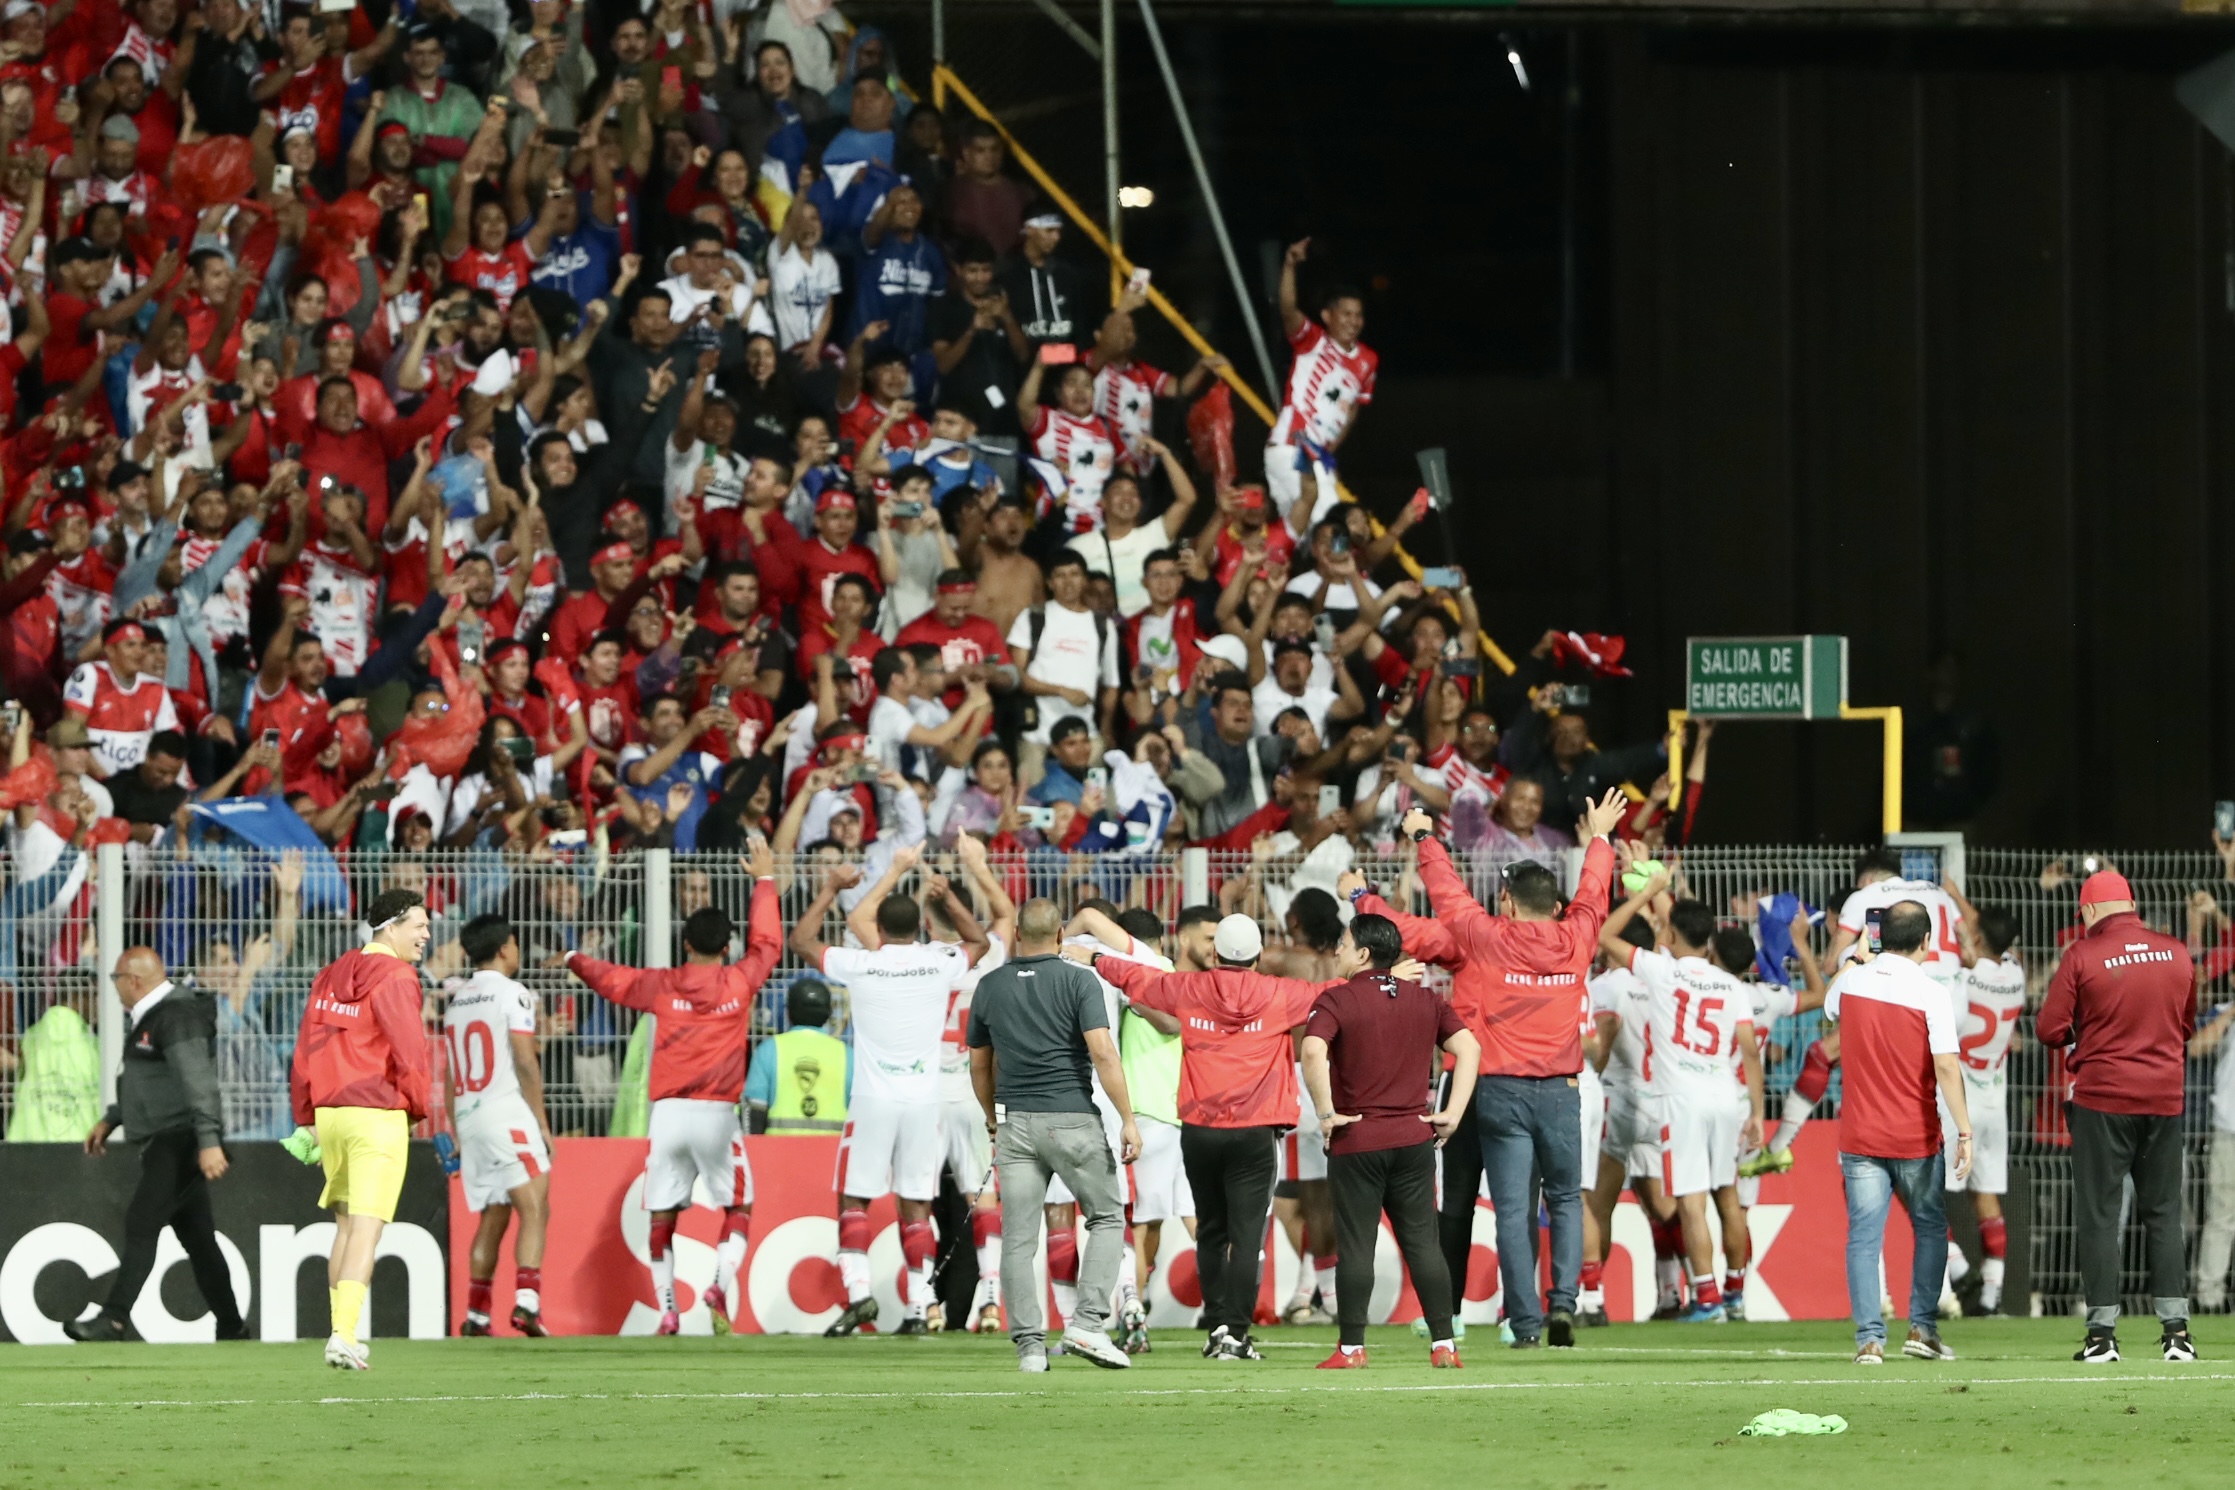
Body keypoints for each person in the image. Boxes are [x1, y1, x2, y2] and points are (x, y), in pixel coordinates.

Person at [1399, 790, 1625, 1349]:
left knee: (1511, 1211)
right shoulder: (1578, 937)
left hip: (1500, 1091)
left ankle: (1525, 1325)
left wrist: (1424, 836)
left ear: (1504, 899)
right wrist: (1599, 839)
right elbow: (1595, 894)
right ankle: (1565, 1305)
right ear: (1555, 905)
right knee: (1567, 1200)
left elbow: (1447, 892)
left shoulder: (1487, 937)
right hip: (1562, 1091)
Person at [1078, 914, 1358, 1361]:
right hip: (1255, 1130)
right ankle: (1235, 1335)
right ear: (1257, 953)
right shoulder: (1279, 993)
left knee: (1210, 1231)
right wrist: (1376, 974)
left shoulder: (1190, 988)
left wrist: (1092, 956)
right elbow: (1332, 994)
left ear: (1217, 952)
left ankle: (1217, 1329)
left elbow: (1138, 978)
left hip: (1201, 1130)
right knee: (1246, 1236)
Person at [563, 839, 782, 1335]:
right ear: (727, 948)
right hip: (716, 1114)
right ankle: (718, 1285)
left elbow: (611, 979)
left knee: (663, 1213)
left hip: (667, 1115)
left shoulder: (662, 986)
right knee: (740, 1206)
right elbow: (768, 945)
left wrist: (576, 958)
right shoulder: (739, 982)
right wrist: (764, 882)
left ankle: (667, 1311)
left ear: (686, 944)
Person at [790, 842, 982, 1336]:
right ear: (917, 928)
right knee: (916, 1203)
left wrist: (831, 888)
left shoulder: (863, 963)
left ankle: (858, 1295)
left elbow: (802, 940)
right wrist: (949, 896)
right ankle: (920, 1307)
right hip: (924, 1100)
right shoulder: (938, 963)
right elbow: (978, 941)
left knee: (854, 1198)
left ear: (878, 931)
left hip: (873, 1100)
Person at [968, 897, 1142, 1371]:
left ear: (1018, 934)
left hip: (1015, 1124)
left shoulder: (989, 986)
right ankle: (1086, 1323)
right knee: (1107, 1217)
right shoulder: (1079, 980)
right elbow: (1103, 1052)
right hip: (1071, 1118)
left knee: (1019, 1239)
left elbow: (979, 1064)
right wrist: (1127, 1118)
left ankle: (1028, 1347)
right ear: (1061, 935)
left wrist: (991, 1116)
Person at [1301, 913, 1479, 1370]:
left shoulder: (1337, 1000)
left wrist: (1325, 1114)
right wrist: (1453, 1114)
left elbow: (1313, 1050)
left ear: (1362, 953)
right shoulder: (1426, 999)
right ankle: (1444, 1344)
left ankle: (1352, 1348)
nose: (1337, 950)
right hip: (1414, 1136)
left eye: (1343, 943)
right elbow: (1470, 1048)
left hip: (1358, 1136)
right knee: (1423, 1243)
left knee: (1357, 1244)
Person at [2038, 869, 2198, 1364]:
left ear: (2088, 911)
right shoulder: (2176, 952)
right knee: (2165, 1215)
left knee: (2100, 1217)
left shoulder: (2083, 954)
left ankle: (2102, 1336)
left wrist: (2089, 1037)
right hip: (2165, 1100)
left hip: (2103, 1100)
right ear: (2131, 906)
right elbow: (2186, 1024)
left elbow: (2048, 1028)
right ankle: (2177, 1334)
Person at [1599, 889, 1764, 1323]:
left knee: (1691, 1202)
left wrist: (1647, 894)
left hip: (1682, 1100)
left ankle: (1706, 1298)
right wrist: (1760, 1111)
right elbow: (1748, 1050)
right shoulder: (1732, 985)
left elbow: (1605, 934)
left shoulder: (1661, 970)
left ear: (1669, 932)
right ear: (1710, 939)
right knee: (1727, 1196)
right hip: (1727, 1097)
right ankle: (1735, 1292)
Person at [67, 948, 247, 1344]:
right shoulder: (159, 1016)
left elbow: (198, 1082)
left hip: (178, 1139)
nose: (112, 988)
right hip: (174, 1136)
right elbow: (153, 1083)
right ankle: (233, 1327)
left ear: (134, 980)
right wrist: (113, 1117)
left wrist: (208, 1140)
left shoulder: (175, 1016)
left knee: (142, 1221)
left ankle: (113, 1319)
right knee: (199, 1241)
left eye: (115, 979)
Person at [289, 888, 434, 1371]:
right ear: (390, 926)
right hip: (376, 1112)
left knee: (347, 1227)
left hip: (331, 1113)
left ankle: (340, 1331)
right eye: (418, 924)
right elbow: (410, 1050)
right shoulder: (397, 975)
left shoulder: (330, 975)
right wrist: (417, 1106)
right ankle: (343, 1336)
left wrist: (306, 1115)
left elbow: (305, 1049)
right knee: (367, 1231)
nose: (426, 934)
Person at [1826, 899, 1972, 1366]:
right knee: (1929, 1228)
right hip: (1914, 1135)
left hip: (1861, 1135)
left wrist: (1854, 959)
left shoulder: (1850, 982)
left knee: (1864, 1238)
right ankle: (1921, 1329)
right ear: (1927, 942)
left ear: (1879, 937)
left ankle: (1870, 1340)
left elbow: (1830, 1004)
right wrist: (1965, 1131)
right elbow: (1947, 1066)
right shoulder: (1931, 992)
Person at [444, 914, 555, 1338]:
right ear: (507, 947)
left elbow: (452, 1077)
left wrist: (458, 1131)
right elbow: (525, 1061)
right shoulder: (514, 993)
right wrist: (541, 1124)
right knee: (536, 1206)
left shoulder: (457, 1002)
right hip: (505, 1111)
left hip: (471, 1117)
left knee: (495, 1212)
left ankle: (476, 1313)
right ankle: (527, 1303)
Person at [1941, 905, 2024, 1316]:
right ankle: (1991, 1297)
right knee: (1986, 1195)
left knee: (1929, 1192)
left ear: (1976, 939)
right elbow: (1992, 938)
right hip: (1995, 1102)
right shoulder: (2016, 975)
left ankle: (1953, 1267)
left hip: (1958, 1102)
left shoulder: (1964, 977)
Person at [747, 978, 851, 1135]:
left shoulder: (768, 1050)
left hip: (777, 1151)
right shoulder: (848, 1055)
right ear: (829, 1013)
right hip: (833, 1152)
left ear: (788, 1011)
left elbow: (755, 1110)